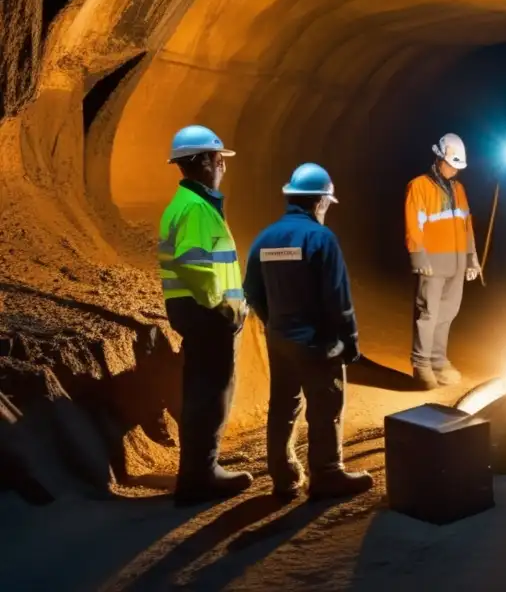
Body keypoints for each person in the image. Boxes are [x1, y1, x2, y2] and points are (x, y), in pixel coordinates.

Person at [243, 163, 373, 500]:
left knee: (283, 405)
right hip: (317, 342)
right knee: (325, 404)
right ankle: (327, 473)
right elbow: (337, 296)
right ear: (319, 201)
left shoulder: (266, 238)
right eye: (328, 202)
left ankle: (283, 476)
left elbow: (252, 290)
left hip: (280, 338)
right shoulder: (321, 238)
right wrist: (350, 340)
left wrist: (274, 322)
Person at [158, 125, 251, 505]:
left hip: (200, 311)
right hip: (206, 313)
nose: (223, 166)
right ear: (204, 162)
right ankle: (200, 476)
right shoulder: (195, 210)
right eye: (218, 159)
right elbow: (194, 264)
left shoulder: (192, 204)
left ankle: (197, 472)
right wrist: (222, 306)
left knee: (205, 389)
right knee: (209, 393)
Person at [404, 133, 482, 389]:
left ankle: (438, 360)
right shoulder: (419, 186)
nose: (454, 170)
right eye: (451, 164)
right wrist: (419, 256)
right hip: (433, 262)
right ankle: (422, 365)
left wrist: (472, 258)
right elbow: (414, 225)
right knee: (428, 313)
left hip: (457, 262)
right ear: (438, 158)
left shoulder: (459, 189)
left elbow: (466, 224)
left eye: (458, 167)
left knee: (448, 313)